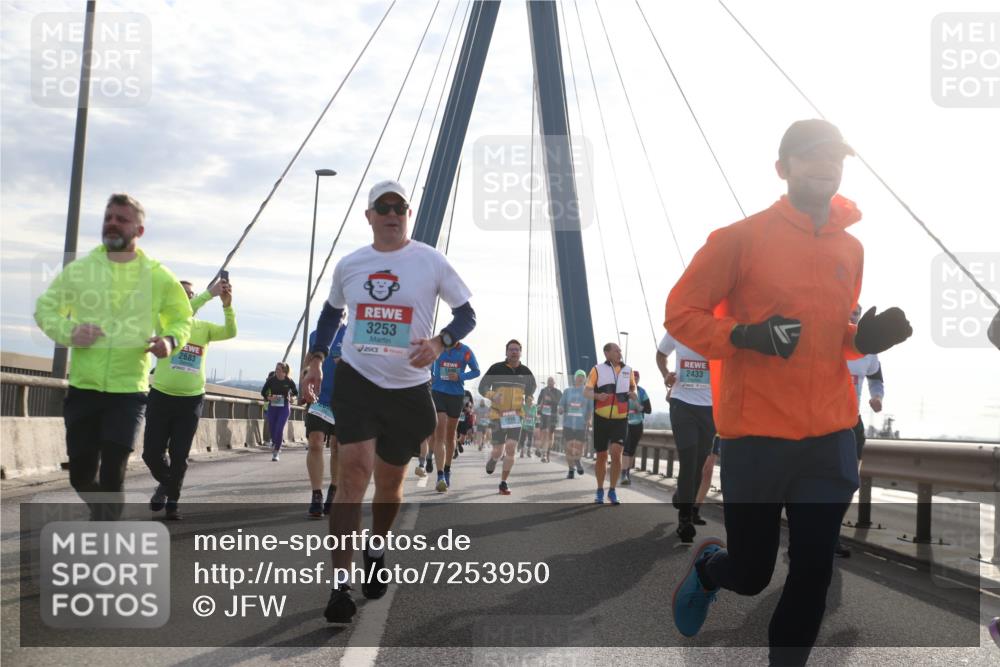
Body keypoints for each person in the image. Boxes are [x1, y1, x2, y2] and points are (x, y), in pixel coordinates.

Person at [666, 119, 912, 666]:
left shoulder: (852, 248)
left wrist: (863, 339)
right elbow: (681, 313)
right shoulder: (739, 239)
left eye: (835, 156)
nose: (825, 164)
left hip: (829, 436)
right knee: (752, 575)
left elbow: (831, 339)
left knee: (813, 573)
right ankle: (711, 569)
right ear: (783, 169)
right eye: (810, 155)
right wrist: (745, 334)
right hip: (757, 436)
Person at [303, 179, 475, 624]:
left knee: (389, 485)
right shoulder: (351, 264)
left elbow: (467, 313)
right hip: (358, 381)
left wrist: (440, 343)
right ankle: (339, 587)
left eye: (400, 207)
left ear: (408, 215)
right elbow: (329, 312)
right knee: (352, 478)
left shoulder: (431, 261)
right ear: (370, 216)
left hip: (408, 390)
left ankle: (376, 547)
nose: (393, 213)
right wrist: (318, 356)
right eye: (384, 207)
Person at [34, 193, 192, 520]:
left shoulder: (157, 275)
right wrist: (69, 332)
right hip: (84, 387)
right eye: (108, 217)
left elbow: (182, 317)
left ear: (139, 230)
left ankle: (105, 536)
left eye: (121, 218)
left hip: (127, 392)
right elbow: (45, 309)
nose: (112, 223)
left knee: (112, 474)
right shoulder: (81, 271)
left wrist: (170, 339)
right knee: (80, 474)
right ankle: (103, 515)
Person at [144, 277, 236, 520]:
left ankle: (172, 502)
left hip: (190, 400)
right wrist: (208, 294)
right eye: (182, 294)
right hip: (161, 396)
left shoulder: (203, 328)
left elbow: (230, 331)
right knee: (151, 454)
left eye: (190, 295)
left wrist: (227, 305)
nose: (187, 298)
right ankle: (167, 485)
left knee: (179, 454)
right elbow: (182, 315)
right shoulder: (164, 321)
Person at [835, 304, 886, 557]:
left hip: (852, 421)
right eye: (849, 311)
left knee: (849, 482)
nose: (852, 315)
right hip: (821, 421)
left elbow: (876, 378)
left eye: (857, 312)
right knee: (818, 482)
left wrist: (877, 398)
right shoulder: (829, 341)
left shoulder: (868, 349)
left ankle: (830, 534)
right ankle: (807, 535)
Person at [657, 327, 715, 542]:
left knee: (699, 465)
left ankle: (682, 497)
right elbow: (660, 354)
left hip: (709, 408)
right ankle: (685, 520)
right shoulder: (679, 328)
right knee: (688, 462)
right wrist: (666, 375)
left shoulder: (715, 328)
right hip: (682, 404)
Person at [479, 340, 537, 495]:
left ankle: (503, 482)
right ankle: (493, 459)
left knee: (511, 448)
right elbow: (482, 387)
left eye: (517, 350)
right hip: (497, 415)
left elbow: (532, 387)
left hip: (516, 416)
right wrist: (492, 395)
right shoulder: (496, 368)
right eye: (511, 349)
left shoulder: (526, 372)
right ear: (506, 352)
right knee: (498, 450)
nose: (514, 352)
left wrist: (529, 396)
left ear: (520, 352)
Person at [303, 323, 347, 518]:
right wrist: (303, 384)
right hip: (319, 399)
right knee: (315, 443)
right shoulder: (316, 336)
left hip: (345, 401)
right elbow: (307, 363)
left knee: (338, 447)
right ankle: (316, 495)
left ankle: (334, 490)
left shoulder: (353, 333)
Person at [584, 342, 636, 505]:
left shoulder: (628, 370)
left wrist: (633, 394)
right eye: (616, 350)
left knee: (616, 452)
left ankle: (612, 491)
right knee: (601, 456)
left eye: (620, 350)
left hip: (620, 418)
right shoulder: (597, 369)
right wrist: (597, 396)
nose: (620, 352)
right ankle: (600, 489)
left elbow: (633, 388)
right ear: (606, 353)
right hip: (601, 418)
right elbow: (586, 391)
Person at [429, 340, 480, 491]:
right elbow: (428, 364)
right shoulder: (438, 347)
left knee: (450, 436)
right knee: (440, 433)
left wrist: (460, 376)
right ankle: (440, 476)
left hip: (456, 395)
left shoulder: (466, 351)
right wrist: (431, 376)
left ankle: (447, 469)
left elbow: (476, 371)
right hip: (438, 393)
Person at [559, 370, 592, 479]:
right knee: (568, 448)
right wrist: (561, 409)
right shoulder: (567, 391)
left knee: (579, 447)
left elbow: (590, 409)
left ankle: (577, 460)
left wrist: (589, 419)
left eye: (583, 376)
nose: (581, 378)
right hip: (568, 423)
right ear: (575, 378)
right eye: (579, 376)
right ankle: (571, 470)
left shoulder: (588, 392)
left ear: (585, 379)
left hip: (581, 424)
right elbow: (561, 404)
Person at [622, 370, 651, 486]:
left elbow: (648, 410)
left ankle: (627, 473)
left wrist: (636, 402)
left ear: (639, 379)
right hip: (624, 423)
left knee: (632, 450)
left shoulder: (642, 392)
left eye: (636, 378)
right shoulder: (623, 391)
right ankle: (623, 474)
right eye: (632, 378)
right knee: (626, 449)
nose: (634, 380)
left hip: (638, 424)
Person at [536, 377, 562, 461]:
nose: (550, 382)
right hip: (544, 415)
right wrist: (538, 412)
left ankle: (548, 452)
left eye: (551, 381)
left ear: (554, 382)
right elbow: (539, 402)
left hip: (553, 415)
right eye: (548, 381)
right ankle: (543, 453)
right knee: (544, 433)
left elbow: (559, 403)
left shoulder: (558, 392)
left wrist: (551, 400)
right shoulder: (543, 391)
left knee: (550, 435)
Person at [518, 394, 538, 458]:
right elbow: (522, 413)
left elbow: (535, 416)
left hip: (531, 425)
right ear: (526, 401)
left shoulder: (534, 407)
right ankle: (521, 452)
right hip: (524, 425)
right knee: (522, 439)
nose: (530, 402)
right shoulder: (524, 406)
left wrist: (535, 418)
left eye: (531, 400)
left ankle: (528, 451)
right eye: (528, 400)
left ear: (533, 400)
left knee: (530, 439)